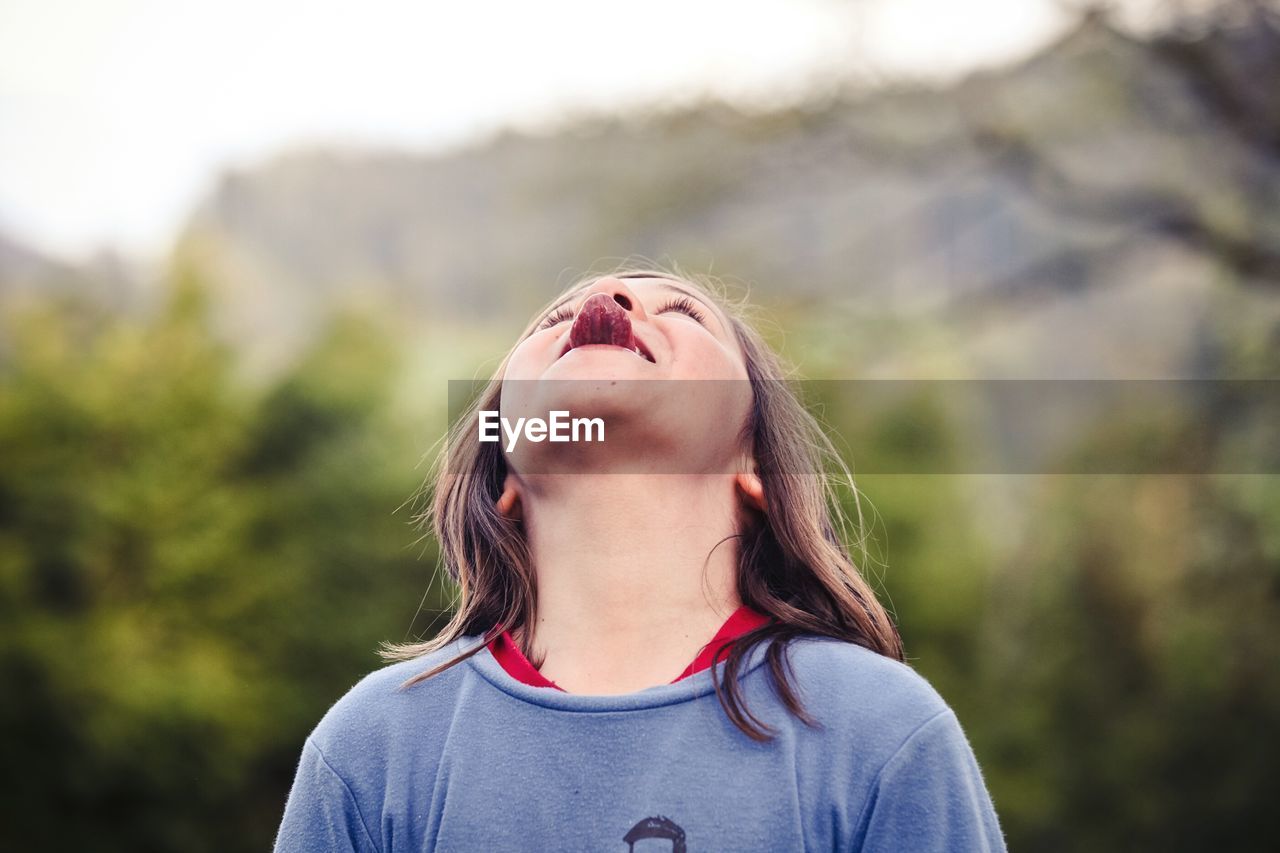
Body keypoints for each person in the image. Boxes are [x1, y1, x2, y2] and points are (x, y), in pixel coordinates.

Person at [272, 267, 1007, 852]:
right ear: (504, 479)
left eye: (684, 314)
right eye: (552, 324)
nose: (606, 298)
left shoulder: (879, 733)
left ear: (754, 459)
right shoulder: (374, 747)